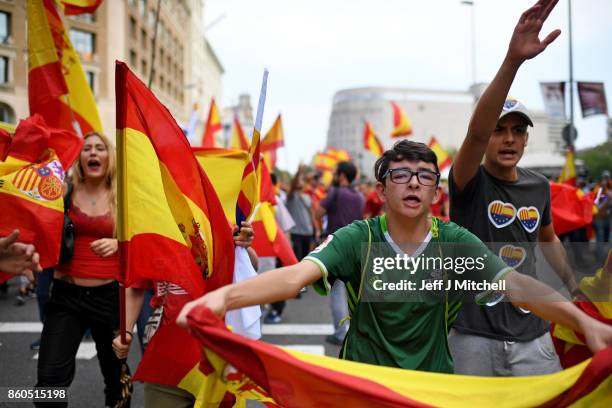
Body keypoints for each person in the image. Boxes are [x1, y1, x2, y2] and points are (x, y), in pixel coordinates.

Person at [177, 140, 612, 374]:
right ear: (381, 191)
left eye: (424, 176)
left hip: (431, 387)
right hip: (366, 386)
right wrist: (224, 299)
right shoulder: (357, 237)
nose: (413, 183)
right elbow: (294, 277)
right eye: (400, 175)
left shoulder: (454, 241)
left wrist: (582, 320)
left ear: (435, 193)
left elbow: (515, 284)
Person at [447, 0, 582, 376]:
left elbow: (548, 238)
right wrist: (513, 61)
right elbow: (474, 134)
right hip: (473, 333)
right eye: (499, 130)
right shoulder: (468, 181)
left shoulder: (539, 186)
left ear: (526, 140)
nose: (508, 139)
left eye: (518, 131)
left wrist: (573, 284)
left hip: (532, 330)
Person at [111, 222, 256, 407]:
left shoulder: (216, 219)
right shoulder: (153, 224)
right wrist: (126, 330)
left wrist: (244, 247)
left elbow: (251, 266)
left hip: (215, 355)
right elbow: (136, 285)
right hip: (166, 356)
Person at [35, 132, 129, 408]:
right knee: (49, 383)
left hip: (110, 298)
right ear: (80, 158)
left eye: (100, 148)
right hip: (66, 297)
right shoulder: (64, 190)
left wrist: (119, 244)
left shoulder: (122, 196)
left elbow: (146, 240)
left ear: (109, 157)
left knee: (118, 382)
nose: (93, 153)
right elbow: (38, 220)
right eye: (87, 148)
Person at [315, 161, 364, 345]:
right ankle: (357, 331)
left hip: (336, 247)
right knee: (354, 292)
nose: (333, 175)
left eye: (335, 172)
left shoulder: (335, 192)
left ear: (342, 175)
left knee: (337, 291)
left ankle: (341, 333)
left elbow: (318, 213)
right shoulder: (359, 196)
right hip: (357, 247)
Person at [285, 165, 319, 261]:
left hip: (307, 233)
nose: (300, 181)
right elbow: (293, 184)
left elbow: (311, 215)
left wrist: (316, 229)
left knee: (305, 259)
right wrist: (298, 172)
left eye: (301, 180)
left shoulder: (307, 197)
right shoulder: (291, 196)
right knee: (297, 259)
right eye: (298, 180)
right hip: (296, 233)